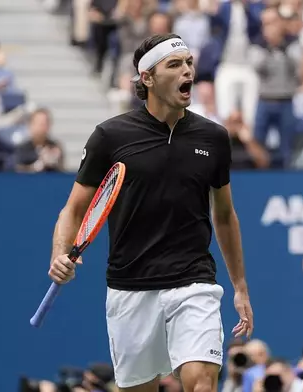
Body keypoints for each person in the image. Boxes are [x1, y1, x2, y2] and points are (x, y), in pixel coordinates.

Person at [47, 33, 254, 392]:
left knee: (202, 383)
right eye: (174, 65)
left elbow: (224, 215)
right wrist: (59, 252)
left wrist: (239, 286)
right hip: (130, 289)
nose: (186, 70)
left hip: (194, 282)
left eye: (188, 62)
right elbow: (74, 209)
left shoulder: (214, 138)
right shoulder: (110, 137)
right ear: (148, 78)